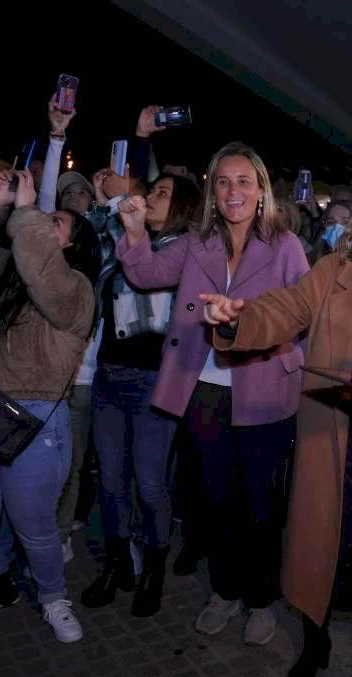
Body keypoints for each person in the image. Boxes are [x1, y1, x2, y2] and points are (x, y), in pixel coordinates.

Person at [204, 176, 352, 677]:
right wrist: (238, 319)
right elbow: (285, 309)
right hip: (329, 432)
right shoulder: (334, 271)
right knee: (319, 543)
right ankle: (315, 641)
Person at [115, 142, 307, 646]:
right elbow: (145, 273)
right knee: (216, 501)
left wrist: (292, 362)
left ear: (261, 190)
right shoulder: (195, 243)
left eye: (244, 181)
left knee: (260, 505)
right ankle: (224, 591)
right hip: (203, 391)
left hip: (265, 388)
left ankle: (260, 599)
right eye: (223, 182)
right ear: (212, 192)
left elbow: (305, 315)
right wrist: (134, 230)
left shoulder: (285, 245)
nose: (233, 191)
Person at [0, 168, 99, 675]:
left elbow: (44, 277)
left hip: (35, 425)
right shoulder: (1, 271)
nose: (43, 222)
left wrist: (26, 213)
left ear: (73, 246)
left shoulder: (77, 291)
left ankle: (53, 597)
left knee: (38, 531)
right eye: (43, 217)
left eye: (57, 222)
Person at [80, 171, 200, 616]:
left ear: (183, 206)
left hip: (153, 380)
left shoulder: (187, 248)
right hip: (109, 376)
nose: (150, 198)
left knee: (149, 483)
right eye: (151, 190)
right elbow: (95, 242)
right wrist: (104, 203)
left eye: (162, 194)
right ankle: (117, 564)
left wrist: (121, 207)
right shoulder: (128, 238)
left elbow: (149, 276)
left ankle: (154, 569)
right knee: (111, 480)